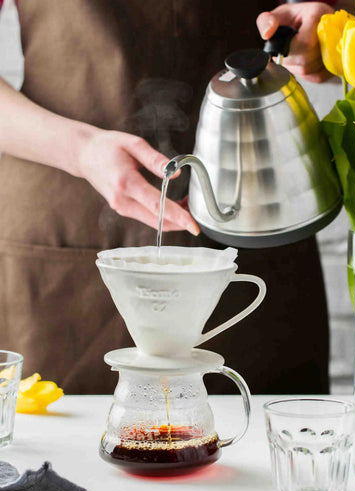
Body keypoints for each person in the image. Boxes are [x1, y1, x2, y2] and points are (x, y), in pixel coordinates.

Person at [0, 1, 335, 394]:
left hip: (256, 220)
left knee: (256, 439)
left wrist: (323, 33)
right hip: (63, 236)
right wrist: (81, 150)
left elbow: (338, 17)